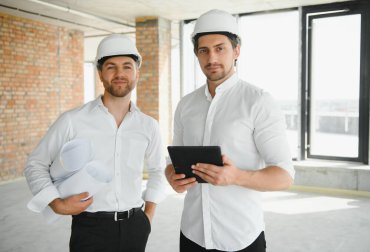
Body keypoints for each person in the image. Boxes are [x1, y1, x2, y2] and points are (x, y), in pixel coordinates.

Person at [165, 9, 295, 252]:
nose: (211, 57)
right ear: (196, 54)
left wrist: (236, 177)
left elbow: (285, 176)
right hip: (193, 234)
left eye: (220, 48)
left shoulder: (259, 101)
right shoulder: (186, 105)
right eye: (203, 50)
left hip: (241, 237)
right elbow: (172, 163)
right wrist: (171, 176)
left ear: (237, 51)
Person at [24, 34, 167, 252]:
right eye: (111, 67)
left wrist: (148, 216)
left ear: (137, 73)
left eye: (127, 67)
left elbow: (158, 170)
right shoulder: (73, 120)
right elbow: (36, 164)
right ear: (100, 73)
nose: (119, 74)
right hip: (90, 228)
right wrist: (56, 203)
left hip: (135, 226)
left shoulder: (149, 126)